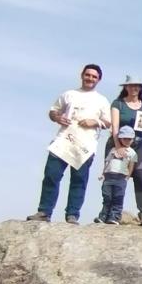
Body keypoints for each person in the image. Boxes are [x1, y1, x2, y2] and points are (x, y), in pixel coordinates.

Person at [27, 64, 112, 224]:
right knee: (51, 176)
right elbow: (53, 111)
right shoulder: (69, 94)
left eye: (94, 76)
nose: (90, 78)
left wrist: (94, 121)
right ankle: (44, 211)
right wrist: (57, 117)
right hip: (63, 141)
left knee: (79, 181)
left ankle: (72, 214)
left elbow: (108, 122)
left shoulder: (102, 100)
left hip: (85, 146)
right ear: (82, 75)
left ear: (99, 80)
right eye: (88, 75)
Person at [107, 74, 142, 226]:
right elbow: (114, 126)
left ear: (141, 88)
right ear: (125, 87)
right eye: (131, 85)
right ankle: (110, 212)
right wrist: (118, 146)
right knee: (115, 176)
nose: (134, 88)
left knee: (140, 176)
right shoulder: (118, 103)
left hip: (139, 144)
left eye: (137, 86)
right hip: (118, 142)